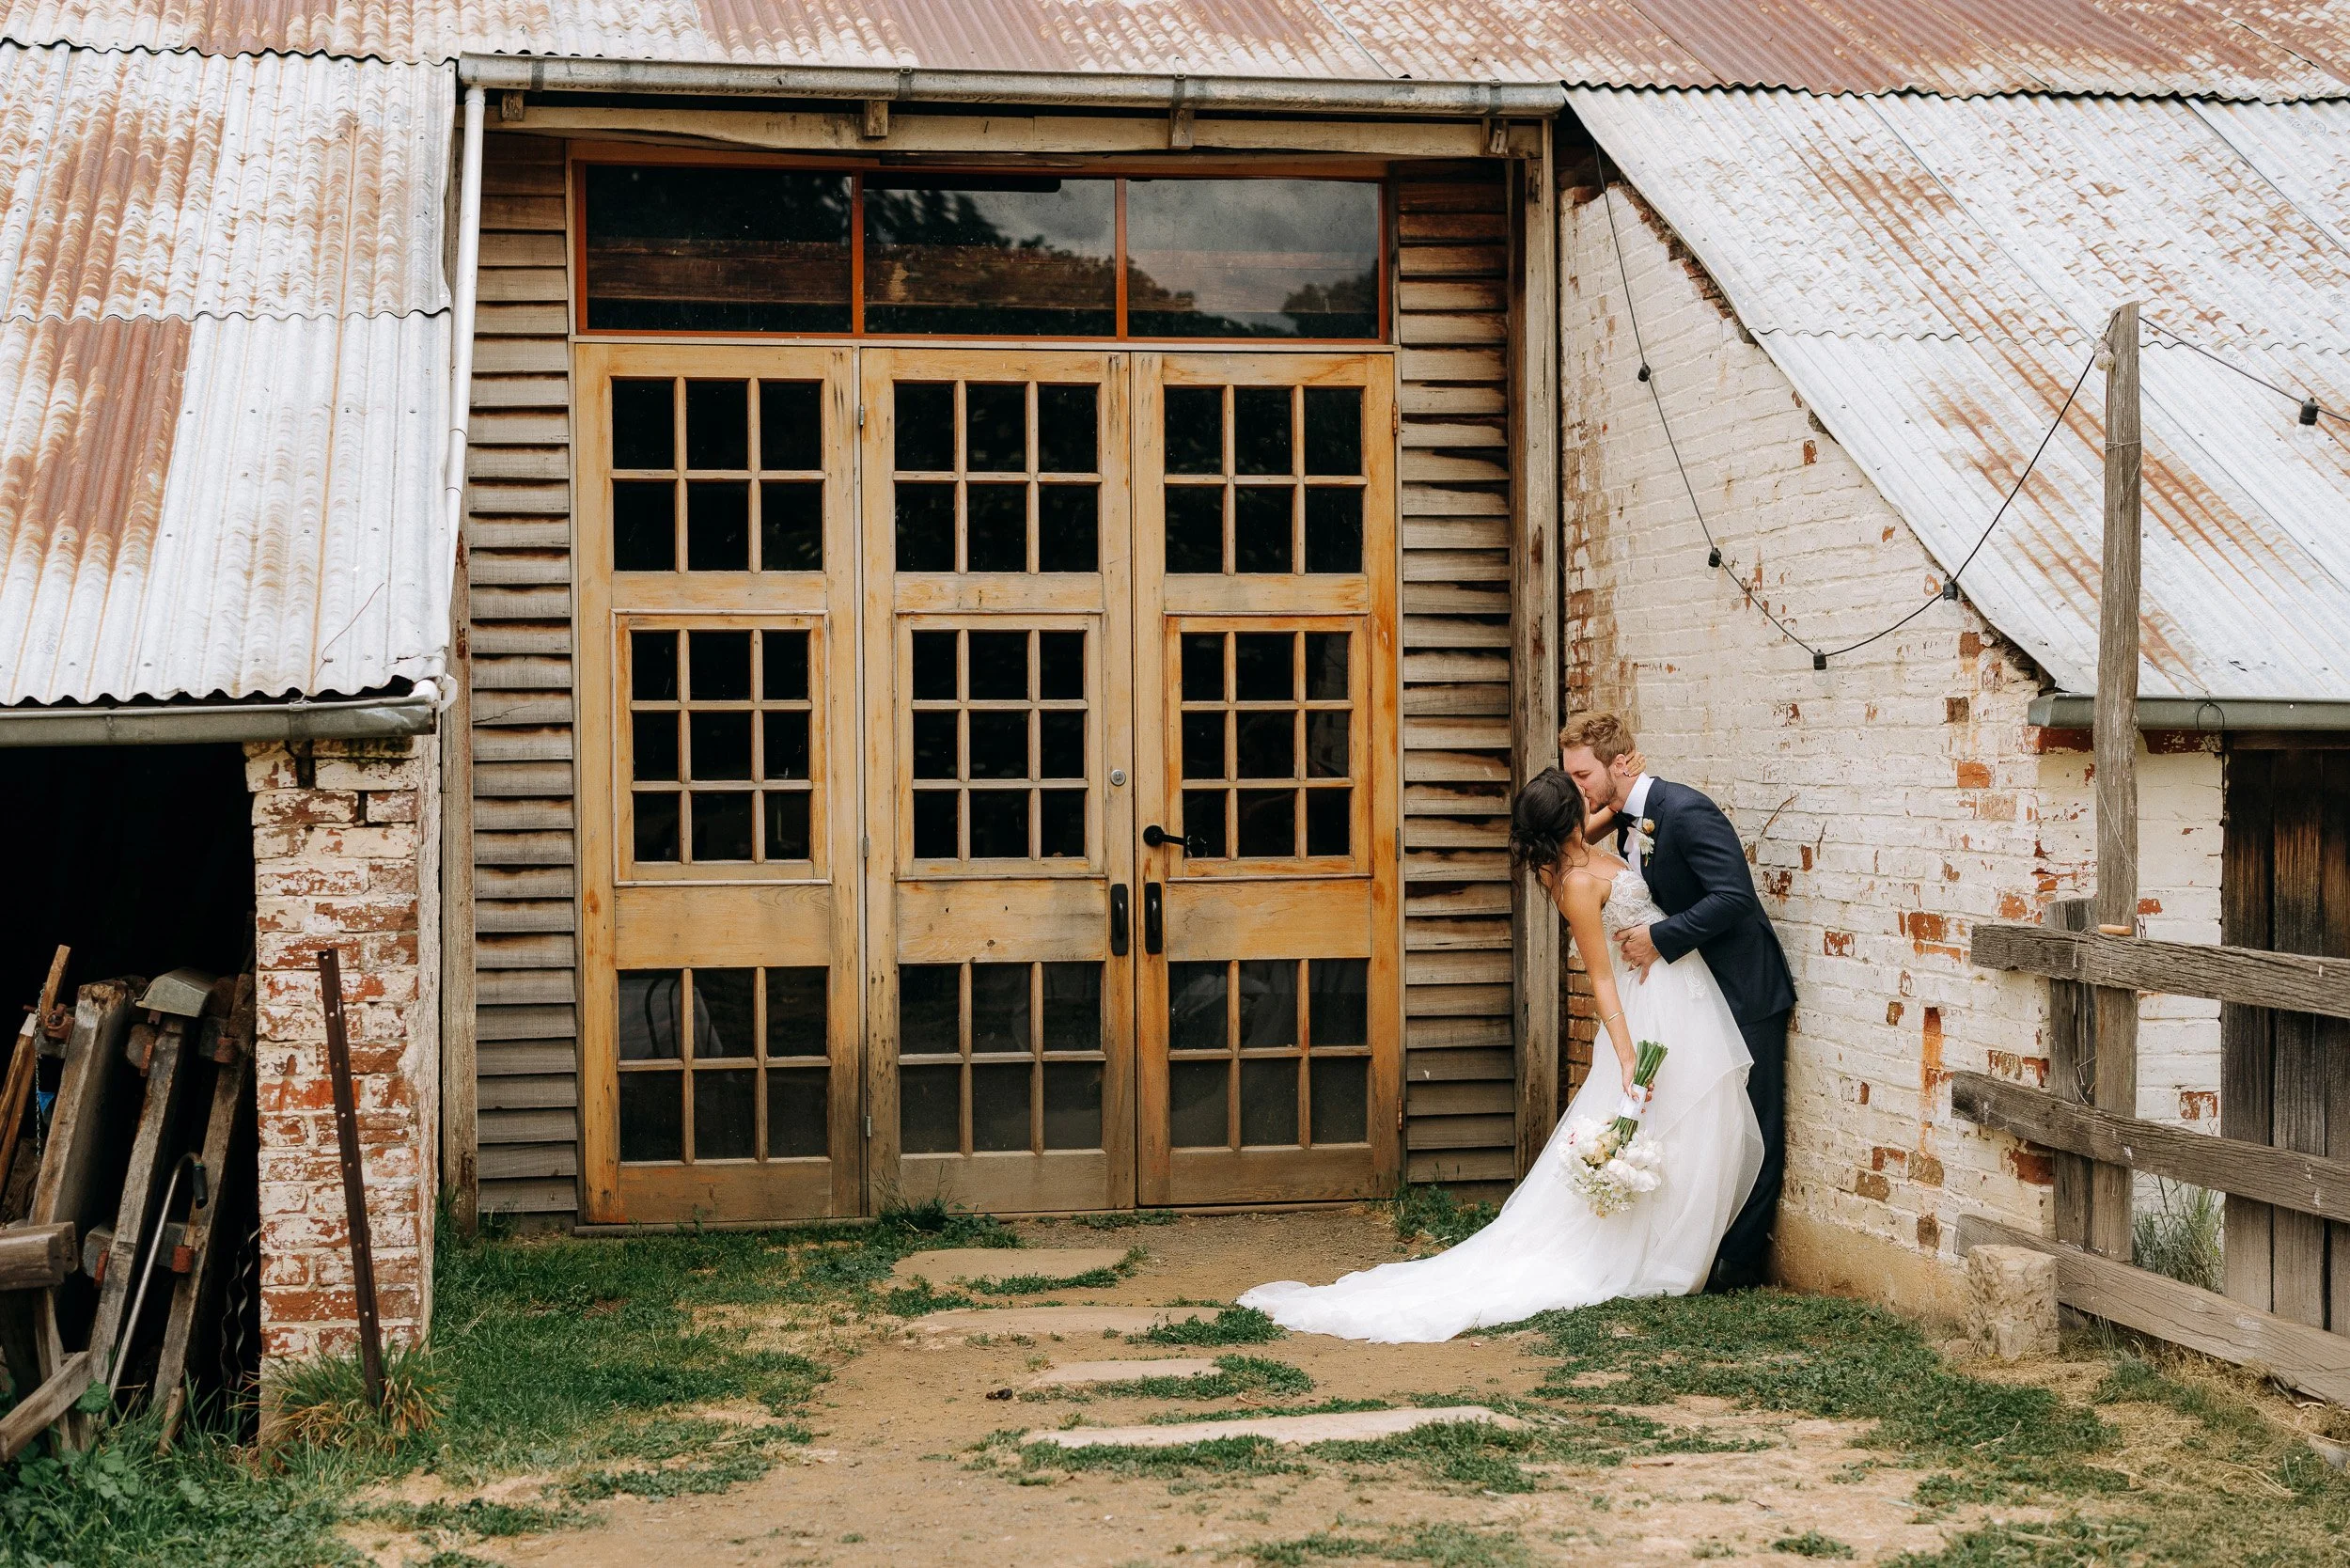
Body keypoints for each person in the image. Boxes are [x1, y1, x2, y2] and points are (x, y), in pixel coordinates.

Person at [1237, 769, 1762, 1341]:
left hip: (1675, 984)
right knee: (1661, 1117)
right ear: (1566, 822)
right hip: (1648, 1002)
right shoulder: (1577, 884)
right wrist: (1627, 1053)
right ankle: (1655, 1247)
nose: (1591, 799)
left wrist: (1626, 789)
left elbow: (1603, 816)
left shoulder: (1576, 848)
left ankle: (1674, 1240)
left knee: (1687, 1117)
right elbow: (1602, 980)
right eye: (1579, 798)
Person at [1559, 713, 1794, 1292]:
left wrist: (1658, 940)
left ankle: (1739, 1264)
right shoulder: (1632, 816)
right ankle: (1699, 1242)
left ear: (1620, 763)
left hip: (1744, 988)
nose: (1577, 788)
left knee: (1754, 1126)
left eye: (1583, 774)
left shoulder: (1686, 812)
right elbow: (1577, 835)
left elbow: (1735, 898)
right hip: (1698, 995)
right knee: (1708, 1121)